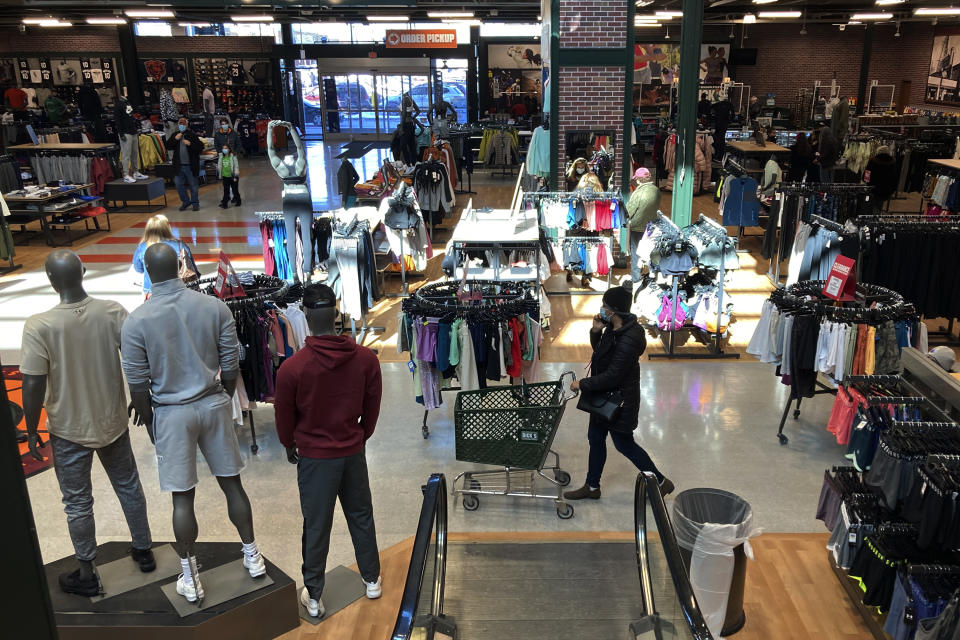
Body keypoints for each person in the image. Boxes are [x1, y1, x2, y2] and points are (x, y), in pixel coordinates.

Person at [122, 243, 265, 604]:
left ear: (147, 274)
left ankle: (191, 577)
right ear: (180, 266)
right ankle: (253, 556)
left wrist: (154, 424)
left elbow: (138, 386)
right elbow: (231, 360)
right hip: (213, 402)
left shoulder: (137, 320)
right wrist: (225, 394)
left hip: (171, 411)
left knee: (182, 499)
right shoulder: (213, 306)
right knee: (233, 486)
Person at [21, 250, 155, 597]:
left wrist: (33, 427)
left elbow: (33, 382)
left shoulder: (39, 325)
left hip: (67, 428)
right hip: (112, 419)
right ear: (84, 270)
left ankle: (86, 571)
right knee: (128, 485)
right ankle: (143, 550)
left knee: (77, 500)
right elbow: (137, 356)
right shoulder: (111, 312)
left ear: (50, 281)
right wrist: (141, 395)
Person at [274, 283, 383, 619]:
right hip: (351, 450)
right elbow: (372, 406)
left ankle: (315, 596)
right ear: (336, 312)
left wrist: (290, 444)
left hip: (315, 457)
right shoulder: (366, 360)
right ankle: (372, 579)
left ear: (304, 315)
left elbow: (284, 418)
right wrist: (361, 436)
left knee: (317, 524)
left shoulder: (292, 369)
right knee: (361, 514)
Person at [565, 286, 673, 500]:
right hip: (603, 397)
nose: (602, 309)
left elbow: (614, 375)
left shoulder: (630, 337)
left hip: (620, 401)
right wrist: (596, 331)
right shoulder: (612, 328)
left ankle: (661, 481)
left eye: (605, 306)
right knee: (595, 439)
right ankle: (592, 487)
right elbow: (601, 355)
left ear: (613, 310)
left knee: (624, 444)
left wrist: (583, 384)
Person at [132, 214, 196, 295]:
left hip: (152, 291)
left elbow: (138, 269)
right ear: (167, 228)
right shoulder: (180, 245)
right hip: (178, 290)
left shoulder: (142, 247)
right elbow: (192, 268)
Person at [626, 168, 661, 282]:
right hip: (652, 226)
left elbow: (630, 211)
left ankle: (636, 277)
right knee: (651, 250)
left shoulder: (638, 192)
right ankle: (653, 275)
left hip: (638, 227)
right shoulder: (656, 190)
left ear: (638, 179)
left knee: (636, 252)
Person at [165, 117, 202, 212]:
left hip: (190, 166)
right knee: (178, 184)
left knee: (193, 185)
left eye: (183, 124)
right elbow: (168, 146)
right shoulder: (175, 135)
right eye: (180, 124)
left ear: (186, 125)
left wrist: (190, 144)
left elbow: (200, 148)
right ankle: (185, 201)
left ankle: (195, 203)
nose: (181, 126)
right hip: (179, 166)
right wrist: (175, 139)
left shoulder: (192, 135)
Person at [864, 145, 898, 213]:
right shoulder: (892, 162)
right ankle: (876, 216)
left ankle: (873, 217)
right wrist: (893, 189)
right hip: (886, 189)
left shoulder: (873, 161)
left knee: (871, 204)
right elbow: (895, 177)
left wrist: (866, 182)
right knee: (879, 204)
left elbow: (867, 174)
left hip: (873, 188)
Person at [217, 144, 241, 209]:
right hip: (225, 176)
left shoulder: (233, 157)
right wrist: (220, 174)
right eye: (223, 148)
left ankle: (238, 201)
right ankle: (225, 204)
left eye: (226, 148)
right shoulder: (221, 157)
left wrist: (236, 176)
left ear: (229, 149)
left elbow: (236, 166)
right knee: (226, 191)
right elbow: (219, 165)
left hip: (232, 176)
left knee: (235, 190)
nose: (224, 150)